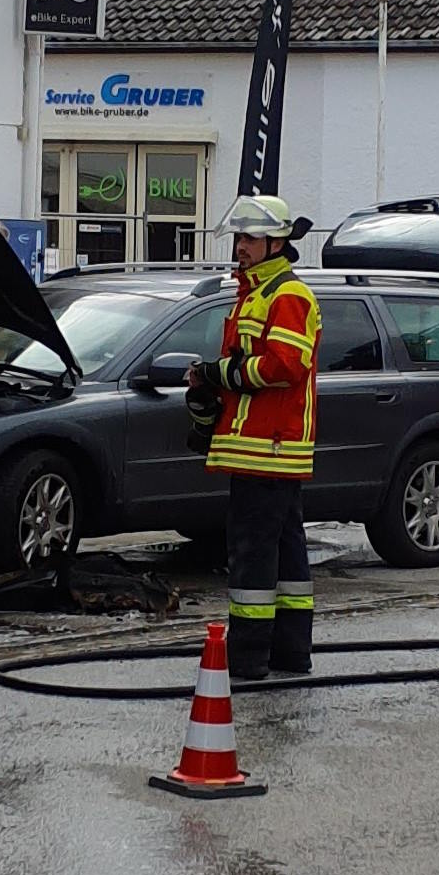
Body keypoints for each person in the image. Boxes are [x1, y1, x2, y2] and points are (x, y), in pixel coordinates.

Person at [195, 192, 321, 684]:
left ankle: (247, 660)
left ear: (275, 242)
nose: (240, 247)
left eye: (248, 238)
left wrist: (217, 373)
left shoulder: (285, 295)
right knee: (287, 559)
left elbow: (283, 366)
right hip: (267, 448)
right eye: (239, 238)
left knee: (252, 558)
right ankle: (290, 654)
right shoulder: (256, 292)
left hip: (266, 447)